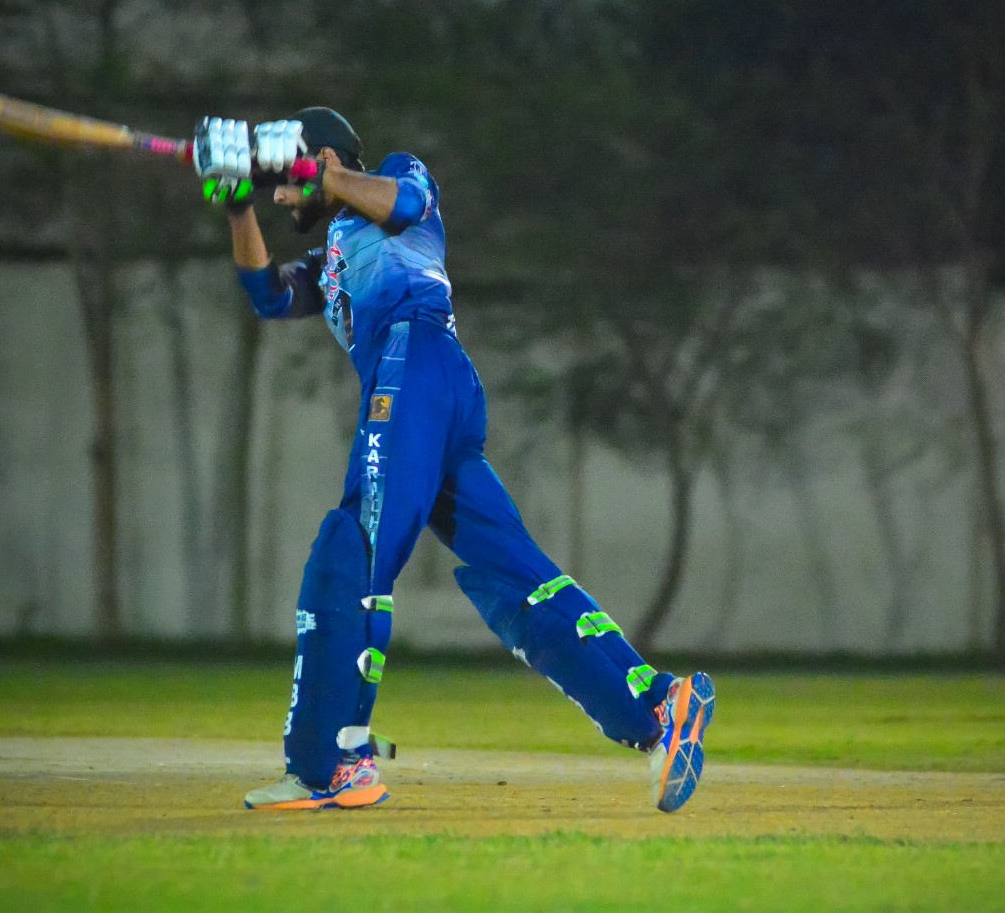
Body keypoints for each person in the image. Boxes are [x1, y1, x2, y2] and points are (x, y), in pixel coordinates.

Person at [191, 110, 715, 811]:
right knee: (515, 575)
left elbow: (404, 205)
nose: (283, 193)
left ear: (325, 158)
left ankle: (331, 765)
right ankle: (658, 707)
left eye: (288, 174)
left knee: (353, 550)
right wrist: (237, 207)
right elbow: (269, 295)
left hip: (417, 364)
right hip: (431, 392)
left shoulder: (396, 176)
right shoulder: (332, 255)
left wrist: (319, 173)